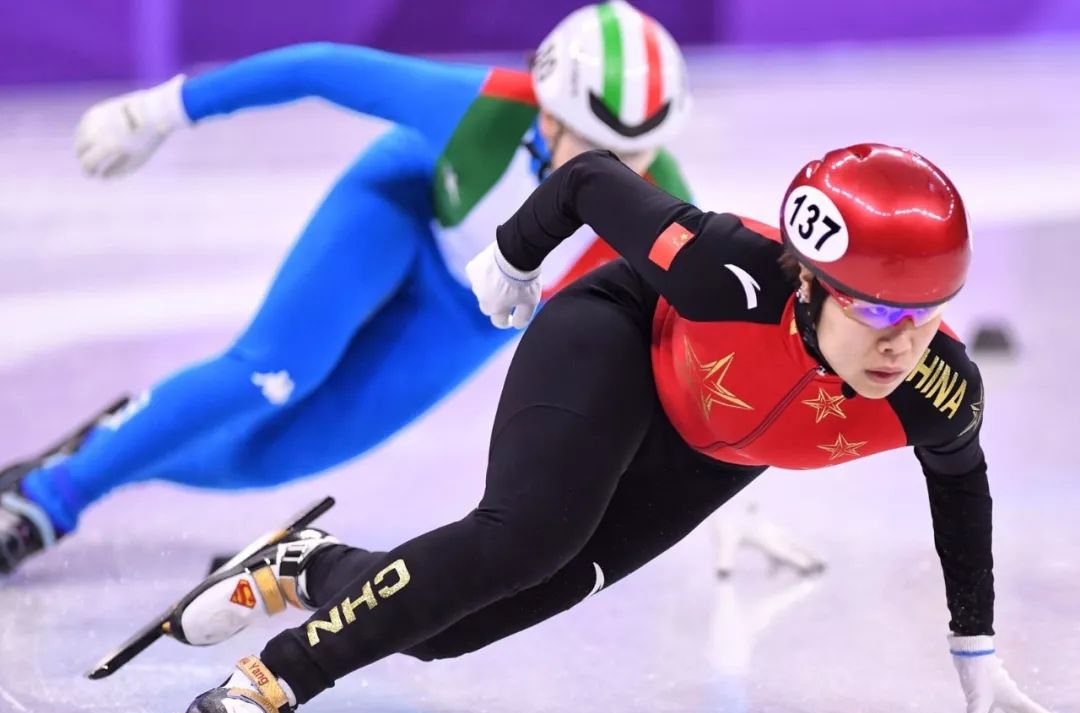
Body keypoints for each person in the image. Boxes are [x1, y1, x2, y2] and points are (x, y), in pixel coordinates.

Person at [156, 143, 1071, 713]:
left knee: (448, 626)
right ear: (809, 279)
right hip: (620, 338)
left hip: (710, 450)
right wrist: (514, 261)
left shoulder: (939, 384)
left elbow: (961, 484)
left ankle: (298, 565)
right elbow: (590, 177)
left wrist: (975, 642)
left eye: (921, 316)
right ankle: (269, 684)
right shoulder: (726, 268)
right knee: (525, 537)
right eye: (873, 312)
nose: (899, 345)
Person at [0, 2, 696, 575]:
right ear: (545, 115)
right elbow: (319, 69)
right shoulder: (482, 108)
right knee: (270, 373)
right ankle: (46, 500)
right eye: (593, 146)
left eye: (635, 155)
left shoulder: (662, 203)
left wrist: (729, 479)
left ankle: (111, 452)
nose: (617, 175)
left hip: (468, 312)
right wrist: (161, 111)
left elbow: (701, 345)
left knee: (271, 457)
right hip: (399, 211)